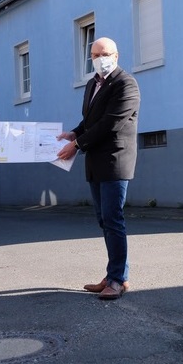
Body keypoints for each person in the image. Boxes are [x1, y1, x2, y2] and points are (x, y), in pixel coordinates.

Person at [57, 37, 140, 300]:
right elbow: (90, 120)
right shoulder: (92, 84)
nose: (99, 59)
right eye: (94, 54)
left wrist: (78, 144)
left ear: (116, 55)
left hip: (115, 161)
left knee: (113, 220)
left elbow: (110, 123)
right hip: (95, 162)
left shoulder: (126, 84)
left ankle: (116, 279)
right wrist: (73, 133)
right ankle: (116, 274)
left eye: (104, 54)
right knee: (104, 220)